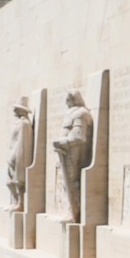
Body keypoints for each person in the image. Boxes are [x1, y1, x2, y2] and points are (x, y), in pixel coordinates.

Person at [53, 89, 94, 222]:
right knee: (66, 183)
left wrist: (63, 142)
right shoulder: (71, 113)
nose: (66, 102)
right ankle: (71, 211)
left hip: (74, 152)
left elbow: (78, 136)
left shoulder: (80, 114)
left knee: (73, 182)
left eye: (68, 99)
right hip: (66, 152)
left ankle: (75, 214)